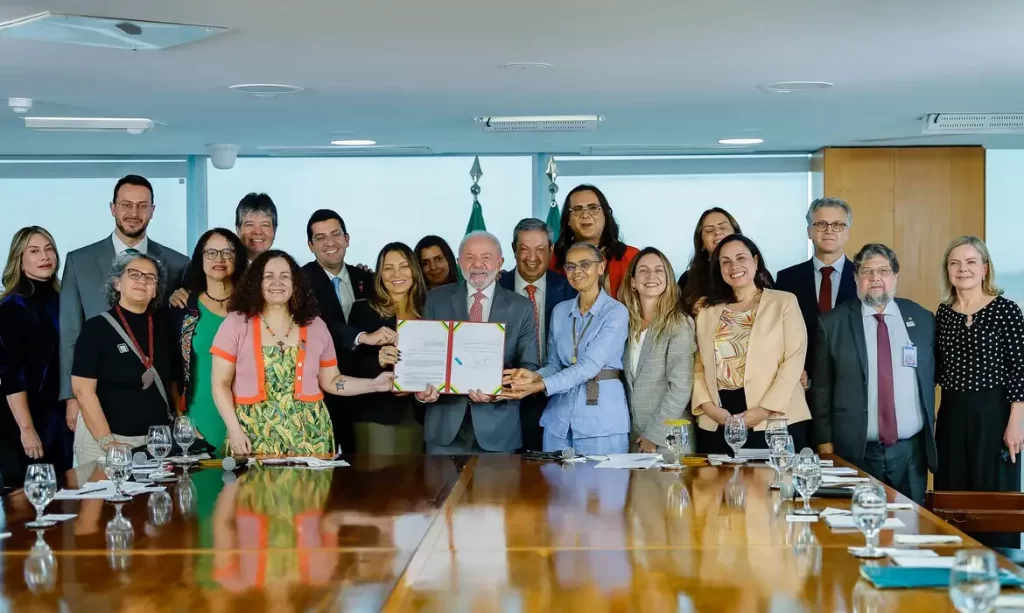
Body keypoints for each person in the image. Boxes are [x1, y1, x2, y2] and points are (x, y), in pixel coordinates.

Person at [210, 250, 394, 456]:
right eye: (268, 276)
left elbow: (332, 381)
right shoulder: (236, 324)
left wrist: (374, 384)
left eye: (285, 276)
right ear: (256, 282)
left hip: (312, 438)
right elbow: (220, 385)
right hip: (252, 437)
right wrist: (235, 431)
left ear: (295, 283)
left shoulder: (316, 326)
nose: (277, 282)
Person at [60, 175, 189, 443]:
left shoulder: (178, 264)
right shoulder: (79, 261)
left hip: (151, 413)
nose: (133, 213)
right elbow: (70, 333)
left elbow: (175, 338)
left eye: (142, 206)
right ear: (113, 208)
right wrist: (71, 396)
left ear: (152, 211)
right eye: (126, 205)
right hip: (95, 400)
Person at [810, 243, 937, 505]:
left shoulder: (922, 317)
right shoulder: (833, 323)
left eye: (883, 270)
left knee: (911, 528)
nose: (876, 278)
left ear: (895, 277)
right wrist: (823, 441)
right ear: (856, 278)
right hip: (856, 450)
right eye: (867, 271)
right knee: (857, 528)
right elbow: (821, 387)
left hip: (911, 452)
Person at [935, 236, 1024, 546]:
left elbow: (1019, 370)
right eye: (955, 263)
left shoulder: (1006, 310)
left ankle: (1001, 576)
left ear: (985, 268)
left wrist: (1016, 423)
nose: (963, 269)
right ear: (947, 270)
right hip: (951, 415)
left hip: (996, 415)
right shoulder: (944, 313)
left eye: (971, 262)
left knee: (994, 498)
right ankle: (952, 572)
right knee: (954, 498)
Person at [417, 231, 539, 454]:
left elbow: (530, 366)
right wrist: (421, 389)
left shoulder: (521, 307)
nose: (477, 264)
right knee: (438, 490)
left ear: (500, 262)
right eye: (470, 257)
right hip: (443, 427)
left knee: (495, 490)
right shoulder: (436, 299)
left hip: (498, 428)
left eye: (486, 257)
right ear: (458, 261)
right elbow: (426, 358)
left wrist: (498, 390)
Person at [503, 241, 629, 453]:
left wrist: (539, 386)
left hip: (601, 419)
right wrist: (534, 376)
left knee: (603, 486)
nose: (577, 271)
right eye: (570, 266)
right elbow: (554, 364)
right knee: (556, 485)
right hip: (558, 419)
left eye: (585, 264)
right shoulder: (560, 311)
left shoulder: (616, 312)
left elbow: (589, 366)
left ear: (601, 267)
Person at [691, 235, 810, 453]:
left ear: (755, 261)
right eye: (725, 261)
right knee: (717, 486)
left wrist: (764, 410)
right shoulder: (706, 310)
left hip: (776, 418)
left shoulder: (784, 301)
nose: (733, 266)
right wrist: (708, 408)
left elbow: (794, 359)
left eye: (741, 258)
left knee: (773, 486)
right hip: (719, 419)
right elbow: (698, 364)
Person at [70, 252, 174, 465]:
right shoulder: (96, 328)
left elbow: (170, 383)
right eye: (134, 274)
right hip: (103, 440)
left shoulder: (164, 329)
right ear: (117, 283)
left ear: (155, 291)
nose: (142, 281)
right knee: (103, 498)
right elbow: (83, 391)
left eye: (150, 277)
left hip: (152, 444)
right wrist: (108, 443)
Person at [299, 209, 380, 454]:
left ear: (347, 238)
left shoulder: (367, 278)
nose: (330, 243)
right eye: (321, 238)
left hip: (367, 391)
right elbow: (320, 324)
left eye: (335, 234)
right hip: (322, 393)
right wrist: (360, 337)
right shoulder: (299, 281)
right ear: (311, 246)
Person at [348, 243, 438, 455]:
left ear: (414, 270)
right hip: (378, 416)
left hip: (425, 416)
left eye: (404, 266)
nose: (396, 274)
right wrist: (378, 361)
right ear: (380, 274)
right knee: (380, 485)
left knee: (419, 486)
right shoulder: (363, 310)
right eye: (388, 268)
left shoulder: (432, 309)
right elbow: (348, 365)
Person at [497, 218, 577, 451]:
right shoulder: (496, 287)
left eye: (541, 249)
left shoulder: (570, 289)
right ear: (513, 249)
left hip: (558, 397)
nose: (532, 257)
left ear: (551, 250)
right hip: (507, 400)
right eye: (525, 249)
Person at [0, 227, 71, 484]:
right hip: (24, 418)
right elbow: (11, 375)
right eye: (34, 251)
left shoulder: (66, 300)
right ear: (19, 260)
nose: (45, 256)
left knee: (65, 501)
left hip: (62, 417)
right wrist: (27, 430)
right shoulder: (10, 307)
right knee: (27, 501)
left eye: (49, 248)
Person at [169, 228, 247, 454]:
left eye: (227, 252)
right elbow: (170, 372)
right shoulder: (183, 309)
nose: (219, 259)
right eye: (211, 252)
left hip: (251, 416)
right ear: (200, 258)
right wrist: (181, 419)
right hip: (198, 416)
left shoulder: (253, 307)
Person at [619, 247, 695, 455]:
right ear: (633, 281)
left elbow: (680, 387)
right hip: (633, 439)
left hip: (668, 440)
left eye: (659, 270)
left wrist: (654, 434)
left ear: (668, 279)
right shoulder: (625, 325)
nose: (651, 276)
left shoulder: (679, 323)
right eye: (643, 270)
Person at [775, 197, 857, 390]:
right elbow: (777, 334)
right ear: (810, 231)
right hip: (801, 383)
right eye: (821, 224)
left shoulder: (863, 278)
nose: (829, 230)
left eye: (837, 224)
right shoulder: (787, 278)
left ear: (847, 233)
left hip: (851, 384)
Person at [551, 184, 639, 299]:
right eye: (577, 209)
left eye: (593, 208)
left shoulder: (631, 257)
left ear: (606, 215)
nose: (585, 215)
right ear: (568, 219)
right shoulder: (554, 260)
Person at [680, 208, 761, 317]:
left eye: (723, 227)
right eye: (709, 230)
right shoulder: (688, 279)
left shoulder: (756, 272)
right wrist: (691, 311)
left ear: (736, 233)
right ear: (702, 243)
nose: (717, 232)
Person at [236, 192, 277, 263]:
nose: (257, 231)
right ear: (238, 230)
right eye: (250, 224)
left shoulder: (286, 270)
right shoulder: (227, 270)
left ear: (274, 230)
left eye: (265, 225)